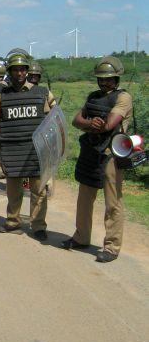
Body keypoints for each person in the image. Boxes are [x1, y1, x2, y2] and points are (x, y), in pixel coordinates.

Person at [62, 57, 132, 263]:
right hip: (91, 151)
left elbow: (109, 125)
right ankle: (81, 237)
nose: (104, 83)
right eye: (102, 79)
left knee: (113, 203)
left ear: (116, 78)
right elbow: (76, 120)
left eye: (109, 79)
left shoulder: (123, 98)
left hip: (111, 153)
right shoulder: (93, 97)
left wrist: (89, 123)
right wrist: (90, 122)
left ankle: (111, 246)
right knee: (84, 198)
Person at [0, 51, 56, 241]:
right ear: (10, 71)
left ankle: (38, 226)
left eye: (22, 70)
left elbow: (53, 118)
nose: (19, 73)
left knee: (38, 191)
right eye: (15, 70)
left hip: (36, 150)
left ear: (27, 71)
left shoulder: (42, 92)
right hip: (12, 148)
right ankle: (13, 222)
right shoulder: (3, 93)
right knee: (13, 191)